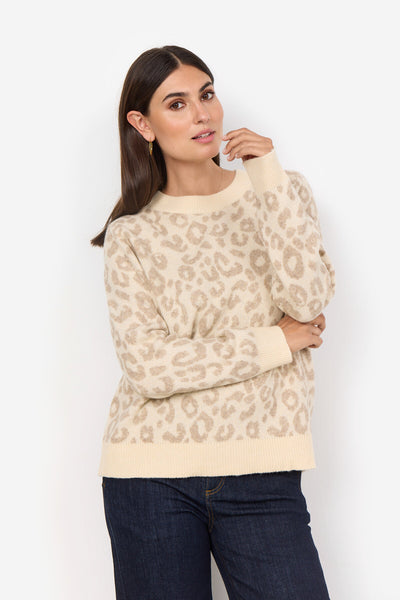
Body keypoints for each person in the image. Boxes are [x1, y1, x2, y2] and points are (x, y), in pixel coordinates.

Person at [91, 45, 336, 600]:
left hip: (264, 467)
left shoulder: (281, 190)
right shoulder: (132, 235)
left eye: (206, 95)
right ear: (142, 125)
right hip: (147, 474)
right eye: (177, 104)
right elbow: (149, 368)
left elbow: (308, 298)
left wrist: (266, 174)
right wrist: (276, 341)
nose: (202, 114)